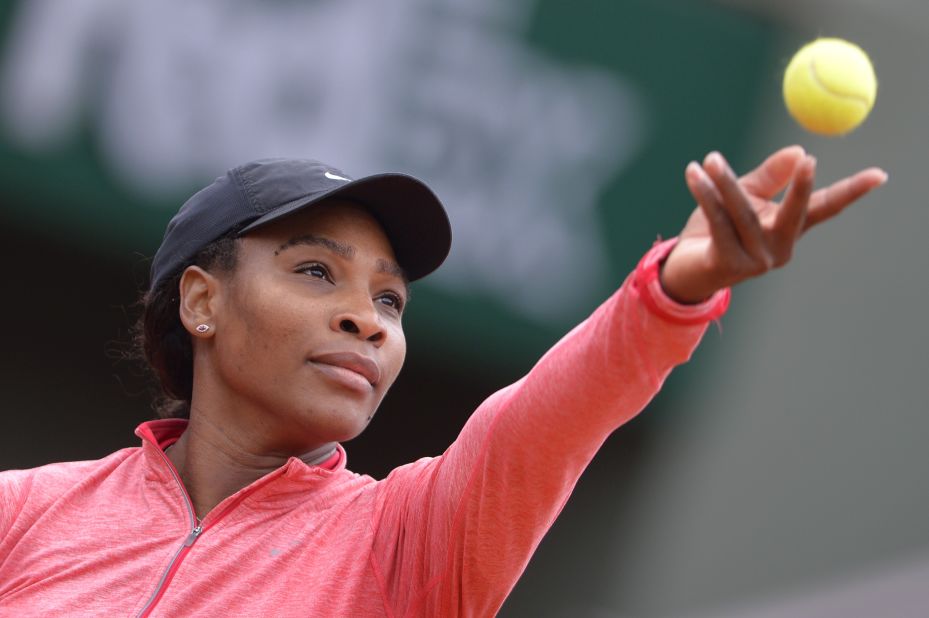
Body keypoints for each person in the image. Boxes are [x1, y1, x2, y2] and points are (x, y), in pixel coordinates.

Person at [0, 148, 886, 616]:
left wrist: (676, 288)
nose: (369, 319)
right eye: (317, 272)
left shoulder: (410, 544)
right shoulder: (27, 513)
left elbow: (546, 422)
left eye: (390, 299)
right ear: (202, 300)